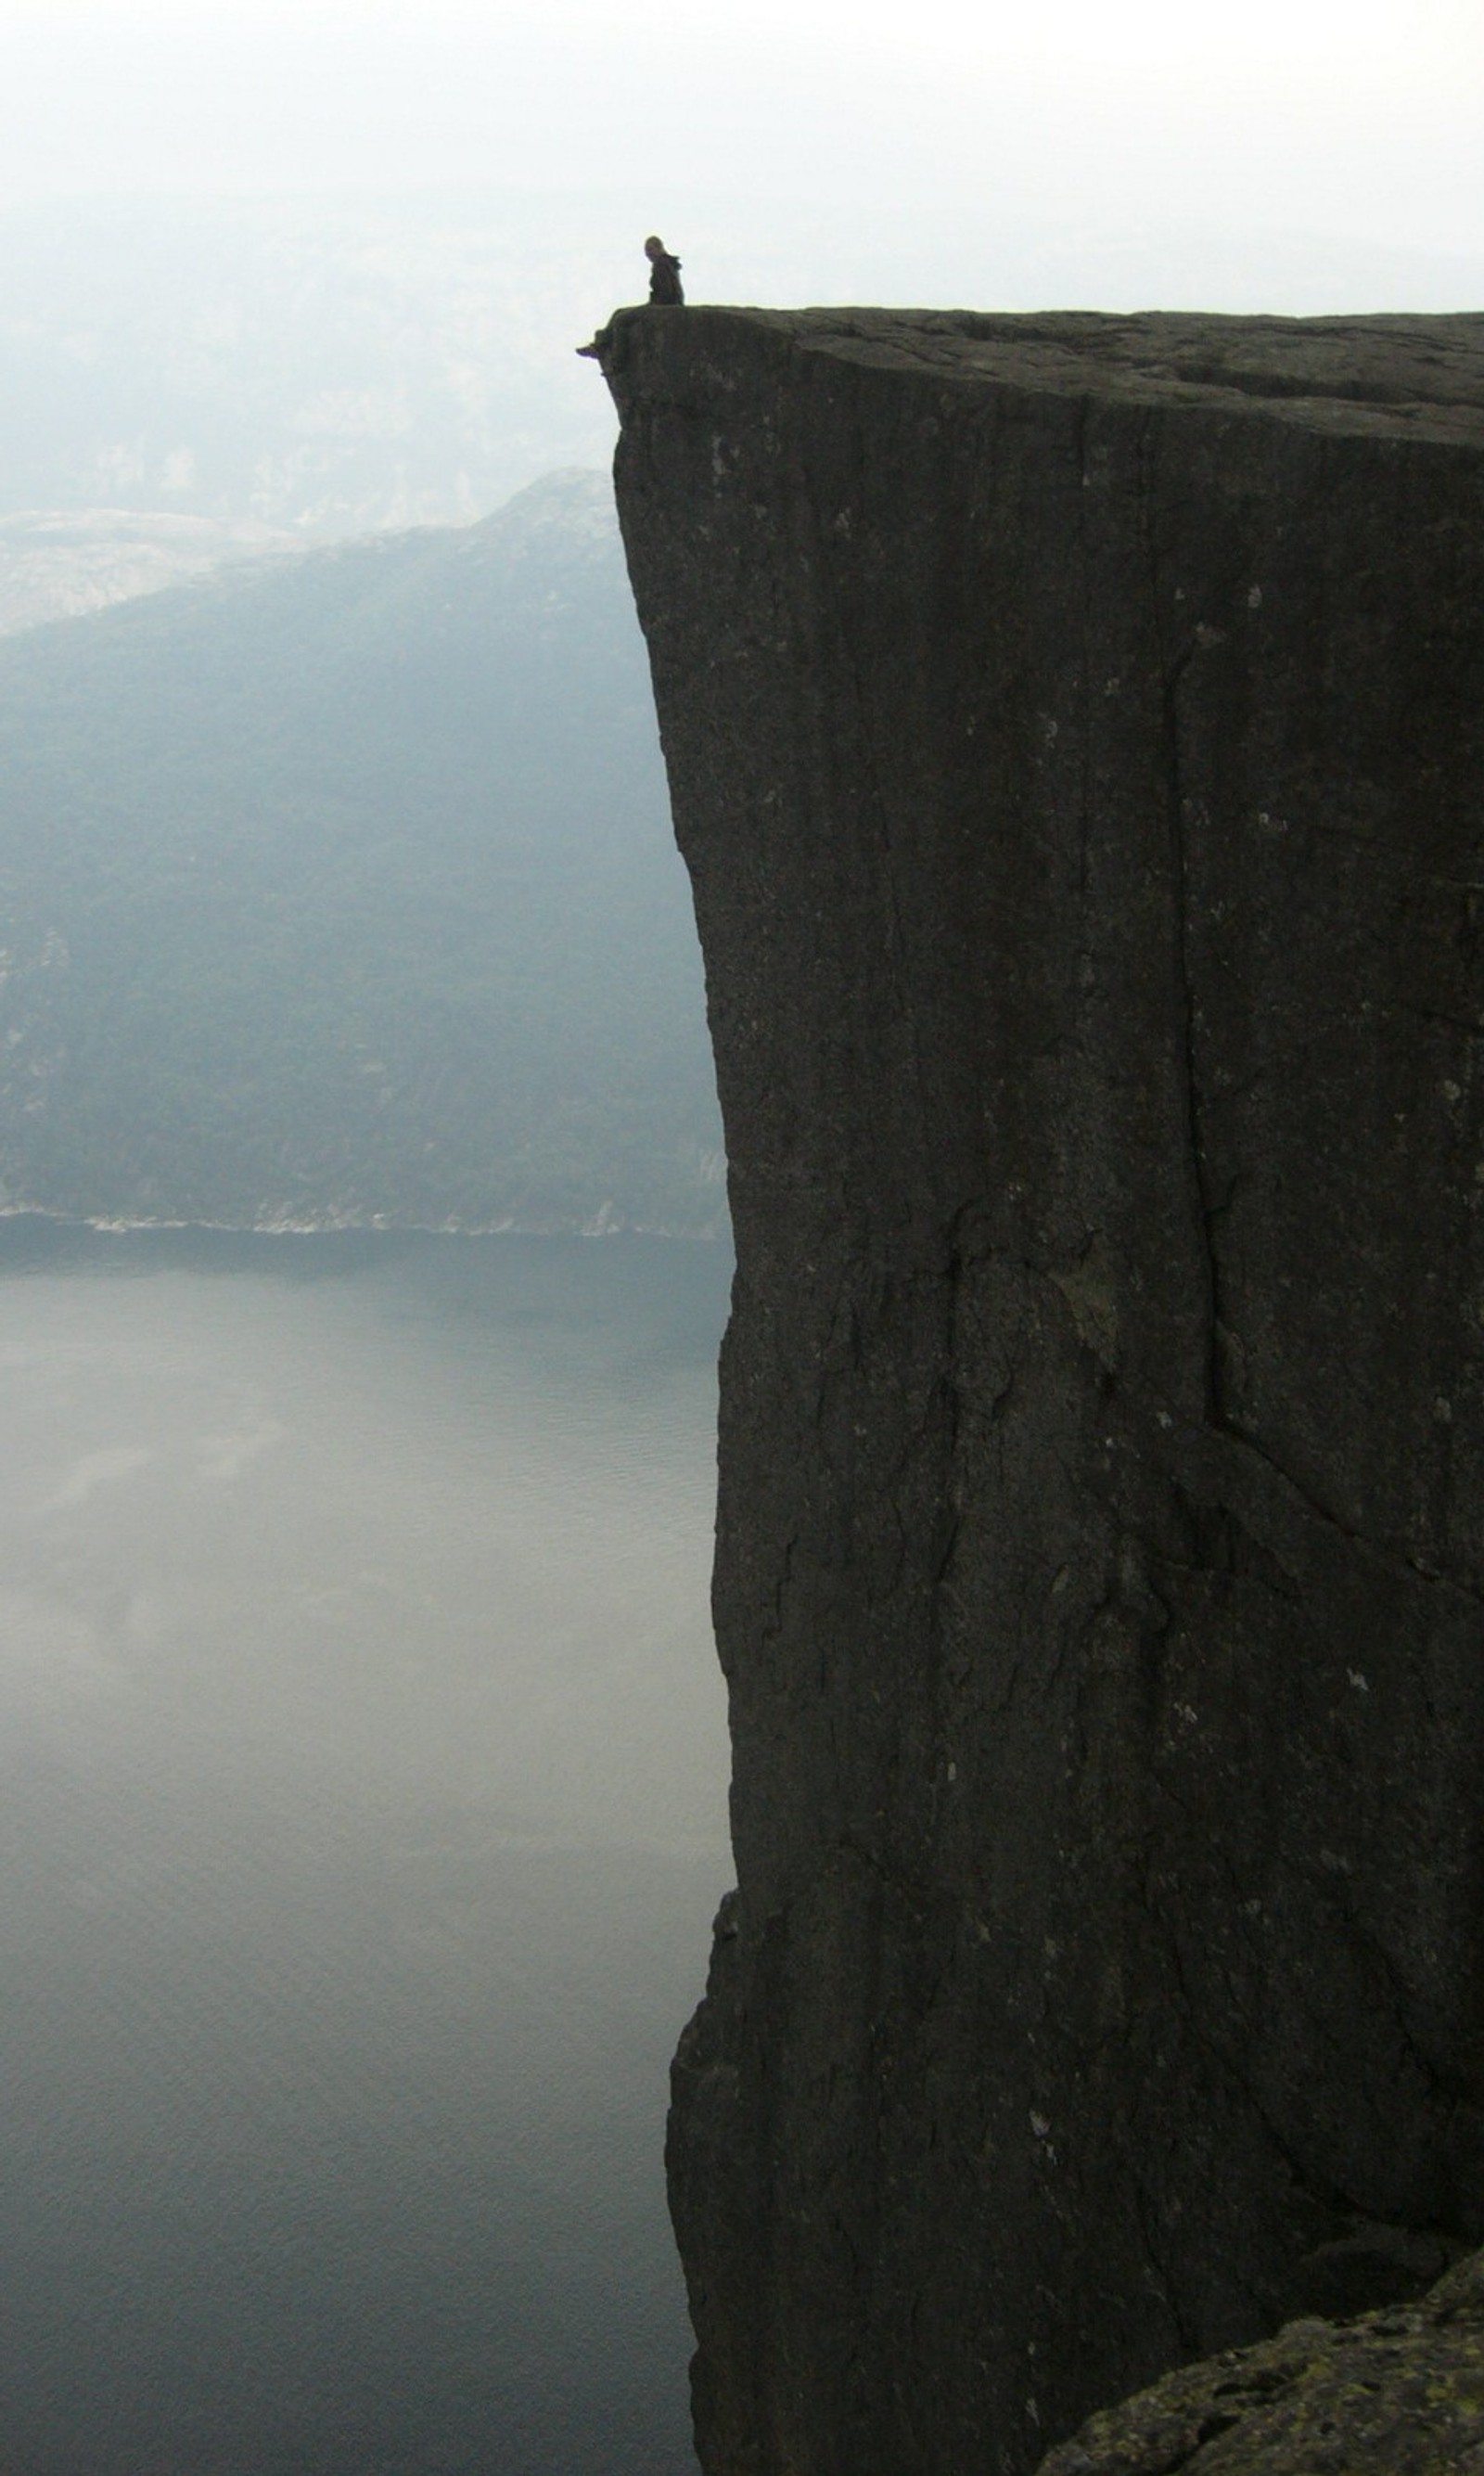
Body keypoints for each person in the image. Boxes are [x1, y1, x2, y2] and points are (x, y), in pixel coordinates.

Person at [644, 236, 684, 306]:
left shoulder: (661, 264)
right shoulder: (669, 263)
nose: (648, 253)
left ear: (659, 248)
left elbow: (666, 291)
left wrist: (654, 304)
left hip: (667, 305)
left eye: (650, 249)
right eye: (646, 251)